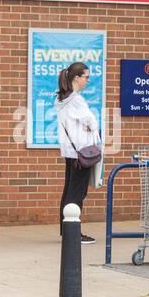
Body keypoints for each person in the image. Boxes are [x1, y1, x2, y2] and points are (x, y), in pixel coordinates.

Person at [55, 61, 101, 244]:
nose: (88, 81)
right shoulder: (76, 100)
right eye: (86, 77)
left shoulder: (61, 99)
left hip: (71, 152)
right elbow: (91, 122)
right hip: (82, 153)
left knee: (69, 191)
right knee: (76, 194)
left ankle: (66, 231)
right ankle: (73, 233)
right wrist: (91, 126)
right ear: (76, 78)